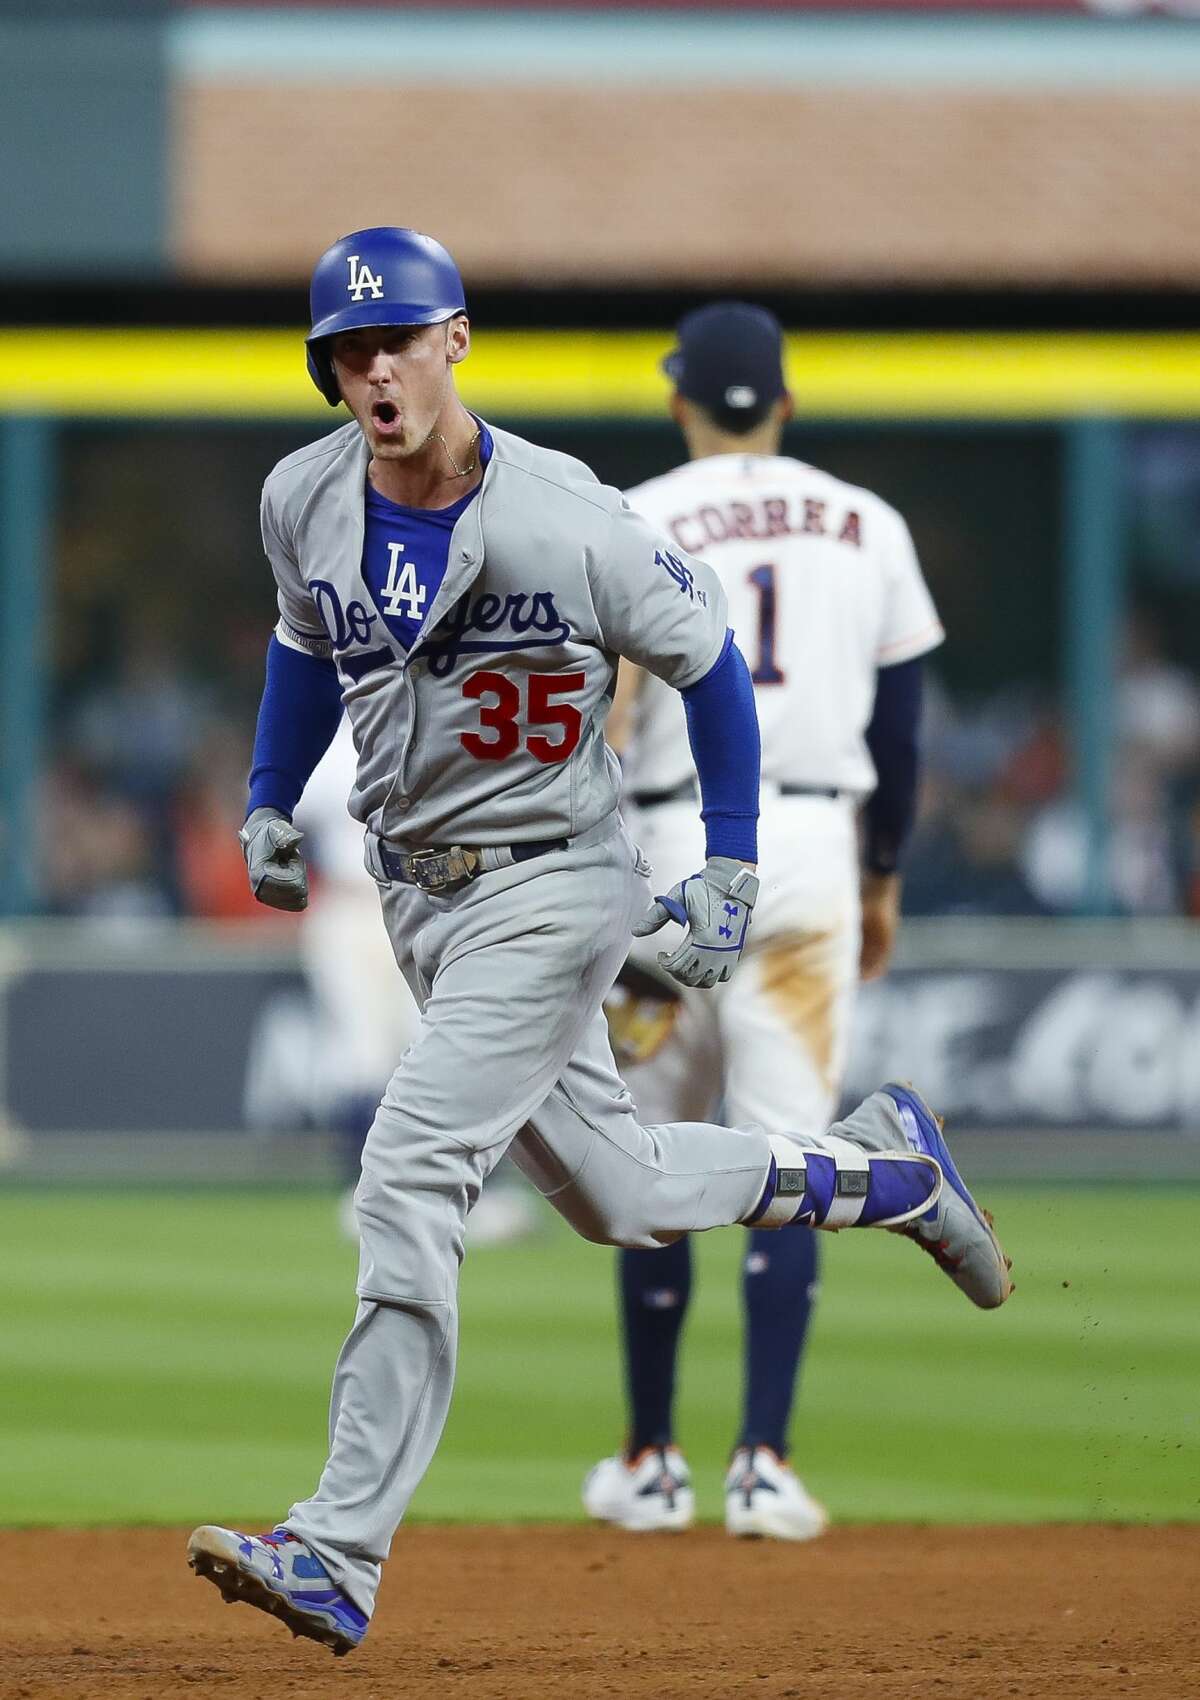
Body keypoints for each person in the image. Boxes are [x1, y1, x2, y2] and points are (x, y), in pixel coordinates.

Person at [185, 228, 1013, 1658]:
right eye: (345, 350)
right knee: (619, 1191)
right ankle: (886, 1172)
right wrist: (269, 796)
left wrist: (735, 858)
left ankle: (335, 1549)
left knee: (408, 1175)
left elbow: (710, 670)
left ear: (457, 341)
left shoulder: (568, 513)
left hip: (557, 883)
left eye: (399, 340)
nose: (372, 370)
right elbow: (301, 645)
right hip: (420, 895)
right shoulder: (301, 498)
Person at [583, 303, 943, 1541]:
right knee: (792, 1149)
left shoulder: (638, 510)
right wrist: (882, 872)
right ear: (782, 402)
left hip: (679, 842)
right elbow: (900, 730)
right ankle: (766, 1465)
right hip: (813, 854)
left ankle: (649, 1458)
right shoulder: (870, 522)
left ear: (684, 401)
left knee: (645, 1148)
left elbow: (611, 708)